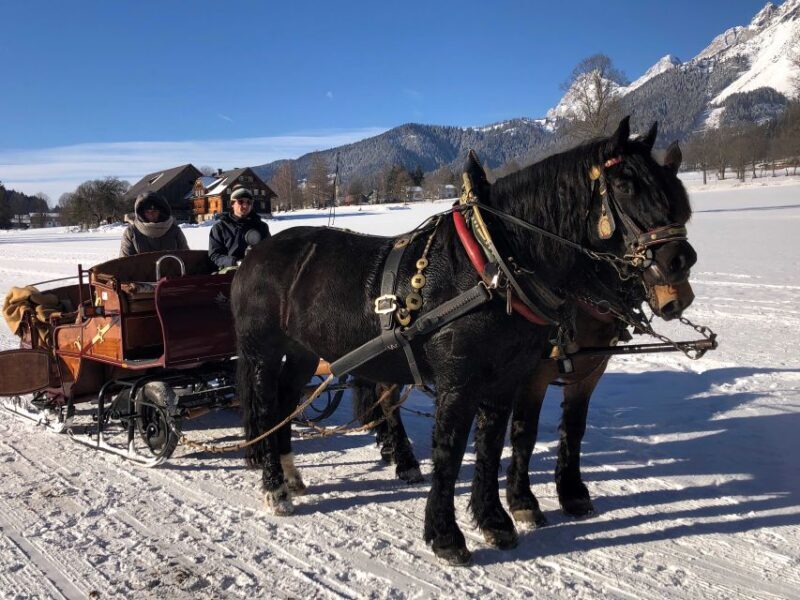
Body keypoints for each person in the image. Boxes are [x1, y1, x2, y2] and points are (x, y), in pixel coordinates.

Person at [208, 185, 270, 269]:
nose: (245, 205)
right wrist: (235, 262)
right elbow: (215, 255)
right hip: (230, 271)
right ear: (232, 204)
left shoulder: (261, 226)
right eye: (240, 202)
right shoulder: (220, 228)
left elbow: (270, 249)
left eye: (249, 202)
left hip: (257, 269)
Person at [119, 191, 189, 257]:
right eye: (147, 212)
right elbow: (124, 261)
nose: (151, 214)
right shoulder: (131, 233)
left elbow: (186, 256)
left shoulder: (174, 230)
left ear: (161, 212)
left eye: (155, 211)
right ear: (141, 213)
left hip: (171, 266)